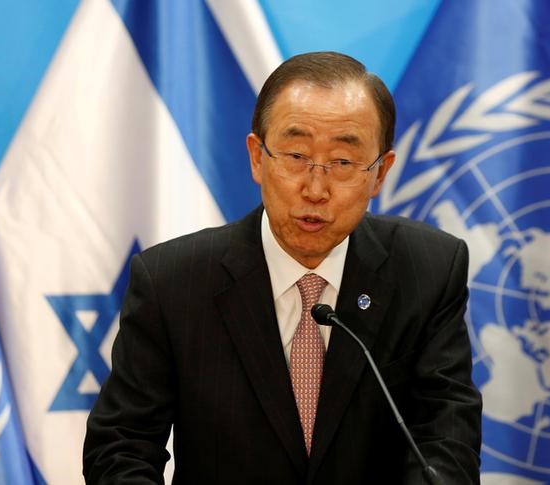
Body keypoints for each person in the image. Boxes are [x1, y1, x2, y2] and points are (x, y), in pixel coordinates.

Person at [83, 51, 482, 484]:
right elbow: (121, 448)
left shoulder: (429, 270)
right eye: (295, 155)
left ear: (380, 174)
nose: (315, 188)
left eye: (343, 163)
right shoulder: (172, 281)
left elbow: (446, 443)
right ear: (258, 157)